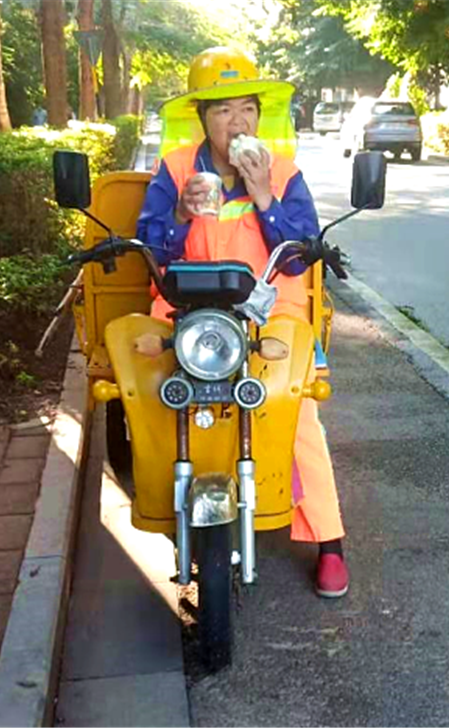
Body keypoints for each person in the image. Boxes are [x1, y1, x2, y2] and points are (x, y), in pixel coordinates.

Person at [136, 47, 349, 598]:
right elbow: (149, 250)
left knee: (296, 410)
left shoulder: (284, 172)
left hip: (269, 312)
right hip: (186, 310)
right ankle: (165, 503)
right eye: (224, 110)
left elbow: (300, 256)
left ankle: (329, 542)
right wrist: (180, 214)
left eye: (247, 109)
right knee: (150, 391)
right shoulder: (176, 170)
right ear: (202, 117)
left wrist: (264, 198)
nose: (238, 122)